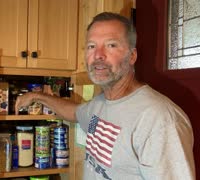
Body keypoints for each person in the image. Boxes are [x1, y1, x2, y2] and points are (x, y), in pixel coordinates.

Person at [15, 12, 195, 179]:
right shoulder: (99, 104)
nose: (98, 55)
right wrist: (36, 96)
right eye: (91, 46)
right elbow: (74, 113)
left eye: (111, 45)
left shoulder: (160, 121)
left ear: (132, 56)